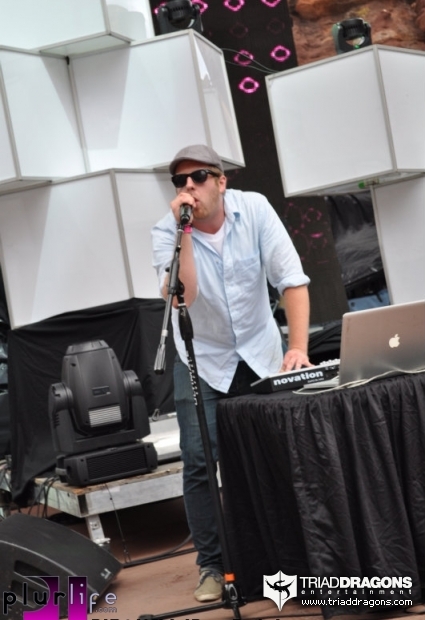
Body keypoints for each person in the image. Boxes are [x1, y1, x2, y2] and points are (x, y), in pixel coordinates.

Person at [151, 144, 311, 603]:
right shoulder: (166, 232)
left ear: (221, 181)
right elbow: (184, 297)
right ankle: (212, 566)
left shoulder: (254, 209)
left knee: (283, 451)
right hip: (202, 358)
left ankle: (298, 552)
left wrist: (298, 347)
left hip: (261, 351)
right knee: (200, 462)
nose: (189, 187)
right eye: (180, 181)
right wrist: (183, 234)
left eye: (199, 176)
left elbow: (291, 280)